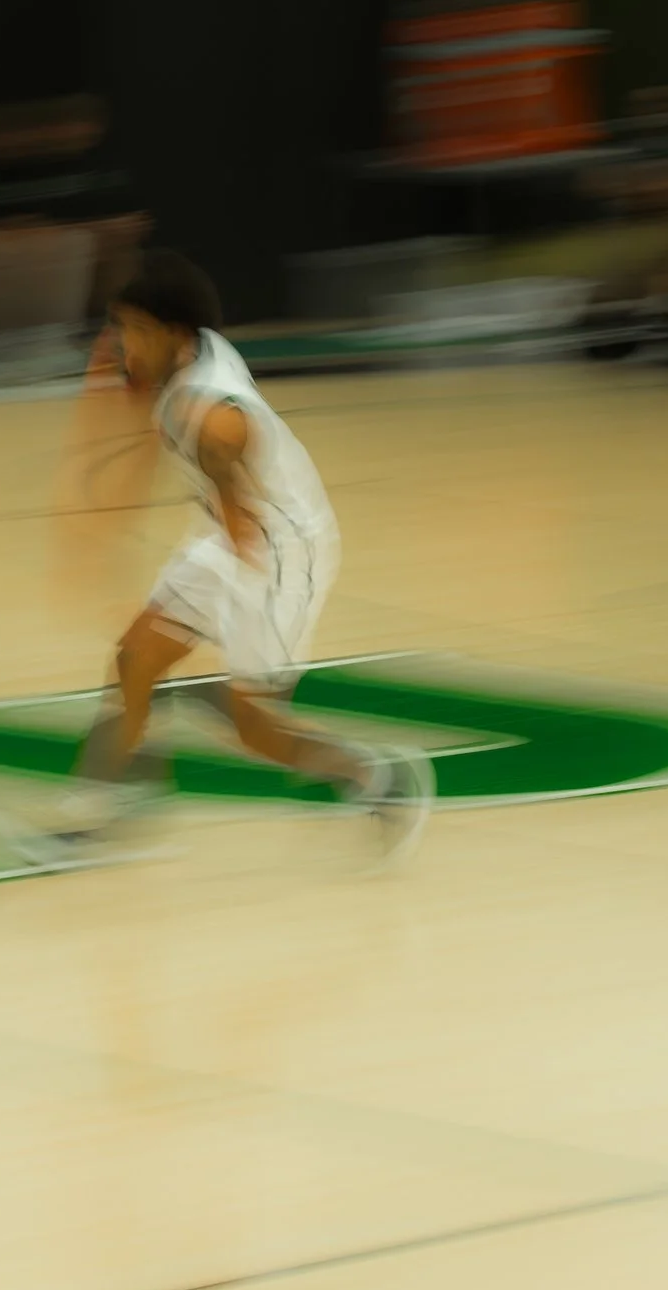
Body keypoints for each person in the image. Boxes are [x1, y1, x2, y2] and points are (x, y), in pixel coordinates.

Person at [63, 250, 431, 860]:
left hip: (278, 550)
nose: (122, 342)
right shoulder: (189, 351)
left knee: (256, 732)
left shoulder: (213, 415)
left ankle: (377, 779)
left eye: (133, 331)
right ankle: (113, 809)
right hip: (224, 536)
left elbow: (239, 497)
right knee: (134, 660)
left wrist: (223, 622)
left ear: (173, 335)